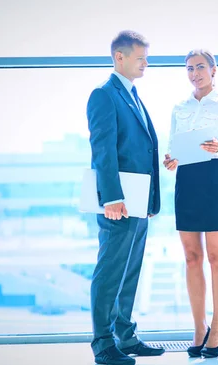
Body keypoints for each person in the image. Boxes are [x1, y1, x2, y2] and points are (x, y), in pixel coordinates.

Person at [87, 30, 164, 365]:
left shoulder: (131, 95)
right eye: (140, 58)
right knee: (110, 271)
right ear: (120, 57)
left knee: (130, 271)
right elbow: (103, 151)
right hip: (118, 203)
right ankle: (103, 344)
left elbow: (140, 148)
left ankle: (125, 336)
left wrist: (148, 202)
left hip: (137, 201)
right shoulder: (104, 95)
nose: (146, 63)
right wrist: (112, 198)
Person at [163, 49, 218, 358]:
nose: (195, 73)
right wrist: (169, 160)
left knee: (216, 258)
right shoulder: (179, 107)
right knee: (192, 257)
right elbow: (171, 147)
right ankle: (199, 327)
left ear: (213, 70)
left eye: (200, 67)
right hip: (186, 182)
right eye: (190, 68)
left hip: (213, 181)